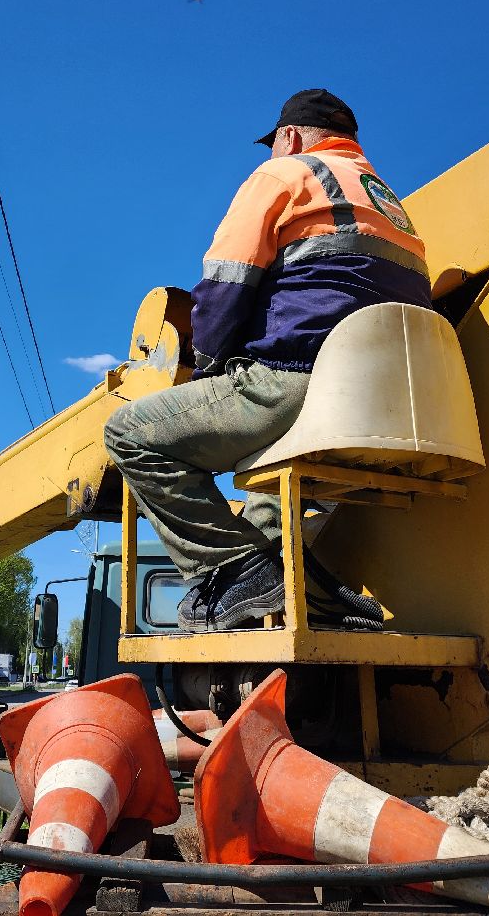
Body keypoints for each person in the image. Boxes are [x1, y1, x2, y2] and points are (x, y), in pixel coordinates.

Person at [103, 89, 432, 632]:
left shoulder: (285, 175)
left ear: (293, 136)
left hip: (302, 384)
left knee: (129, 434)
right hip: (389, 410)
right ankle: (319, 593)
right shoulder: (392, 207)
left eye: (273, 143)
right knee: (273, 496)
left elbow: (226, 287)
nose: (270, 154)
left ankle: (232, 575)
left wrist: (208, 368)